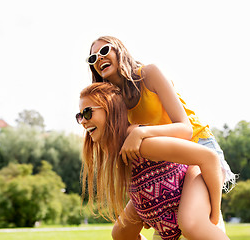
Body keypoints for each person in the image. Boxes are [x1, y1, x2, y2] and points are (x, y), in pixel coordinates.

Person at [86, 36, 236, 239]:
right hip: (167, 164)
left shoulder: (148, 74)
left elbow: (185, 129)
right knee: (121, 233)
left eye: (104, 51)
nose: (98, 58)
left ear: (119, 50)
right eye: (92, 57)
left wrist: (140, 131)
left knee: (191, 224)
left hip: (197, 149)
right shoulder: (115, 103)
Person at [77, 83, 229, 240]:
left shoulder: (141, 144)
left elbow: (209, 157)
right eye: (79, 116)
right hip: (162, 202)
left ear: (110, 109)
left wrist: (215, 214)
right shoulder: (114, 150)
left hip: (189, 187)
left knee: (189, 225)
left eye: (87, 113)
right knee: (120, 233)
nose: (83, 121)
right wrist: (145, 209)